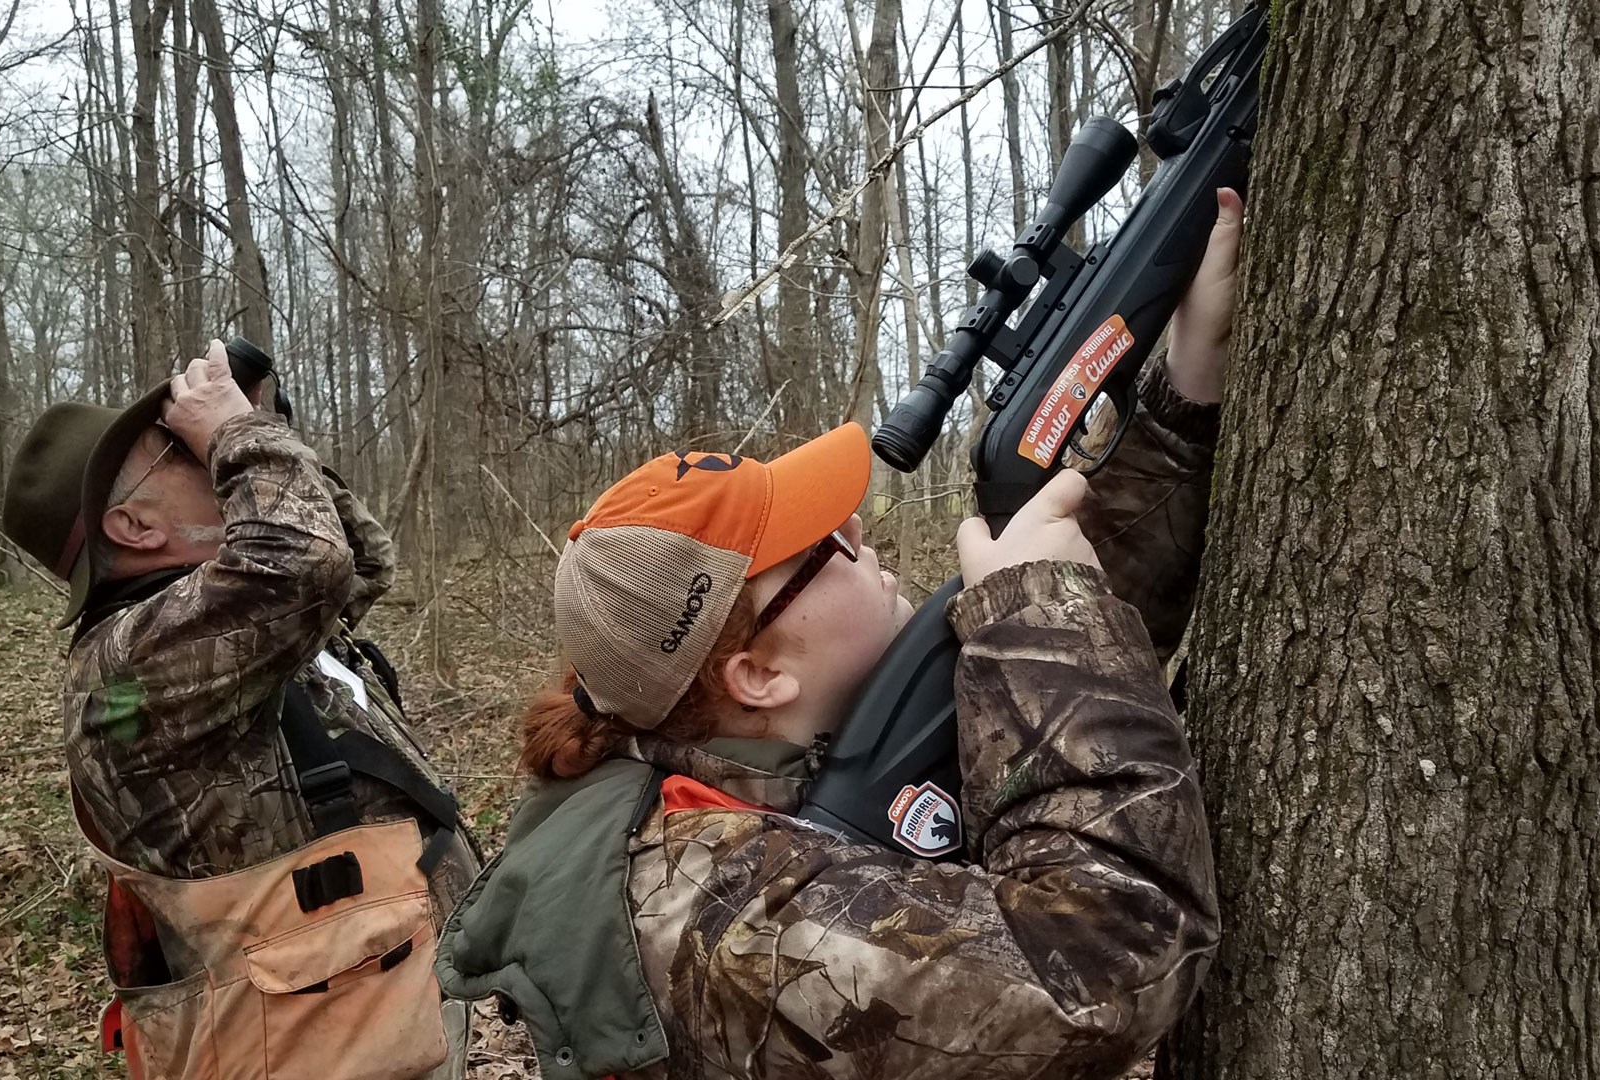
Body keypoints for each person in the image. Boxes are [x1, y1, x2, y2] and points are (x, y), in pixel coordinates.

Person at [435, 191, 1245, 1079]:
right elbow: (1103, 968)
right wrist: (1040, 611)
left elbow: (1062, 691)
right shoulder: (724, 918)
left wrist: (1184, 390)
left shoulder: (757, 761)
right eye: (826, 546)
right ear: (758, 674)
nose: (862, 534)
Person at [1, 341, 480, 1080]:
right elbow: (305, 559)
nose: (212, 463)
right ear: (132, 527)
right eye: (182, 454)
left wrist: (258, 428)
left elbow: (359, 555)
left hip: (377, 1001)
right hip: (308, 1044)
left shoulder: (236, 623)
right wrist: (238, 435)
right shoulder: (130, 663)